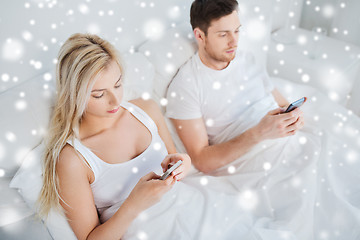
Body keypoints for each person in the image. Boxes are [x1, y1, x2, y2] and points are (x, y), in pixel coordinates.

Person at [37, 33, 288, 240]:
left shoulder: (145, 109)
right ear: (74, 95)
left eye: (118, 84)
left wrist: (183, 164)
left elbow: (179, 161)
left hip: (193, 208)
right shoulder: (73, 159)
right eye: (99, 94)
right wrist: (134, 203)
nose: (116, 99)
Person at [166, 0, 360, 239]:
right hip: (255, 158)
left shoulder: (246, 59)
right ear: (200, 35)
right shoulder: (187, 86)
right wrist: (260, 133)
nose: (234, 41)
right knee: (313, 199)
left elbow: (279, 101)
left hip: (287, 139)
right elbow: (202, 160)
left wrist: (293, 115)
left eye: (237, 31)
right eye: (223, 34)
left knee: (339, 161)